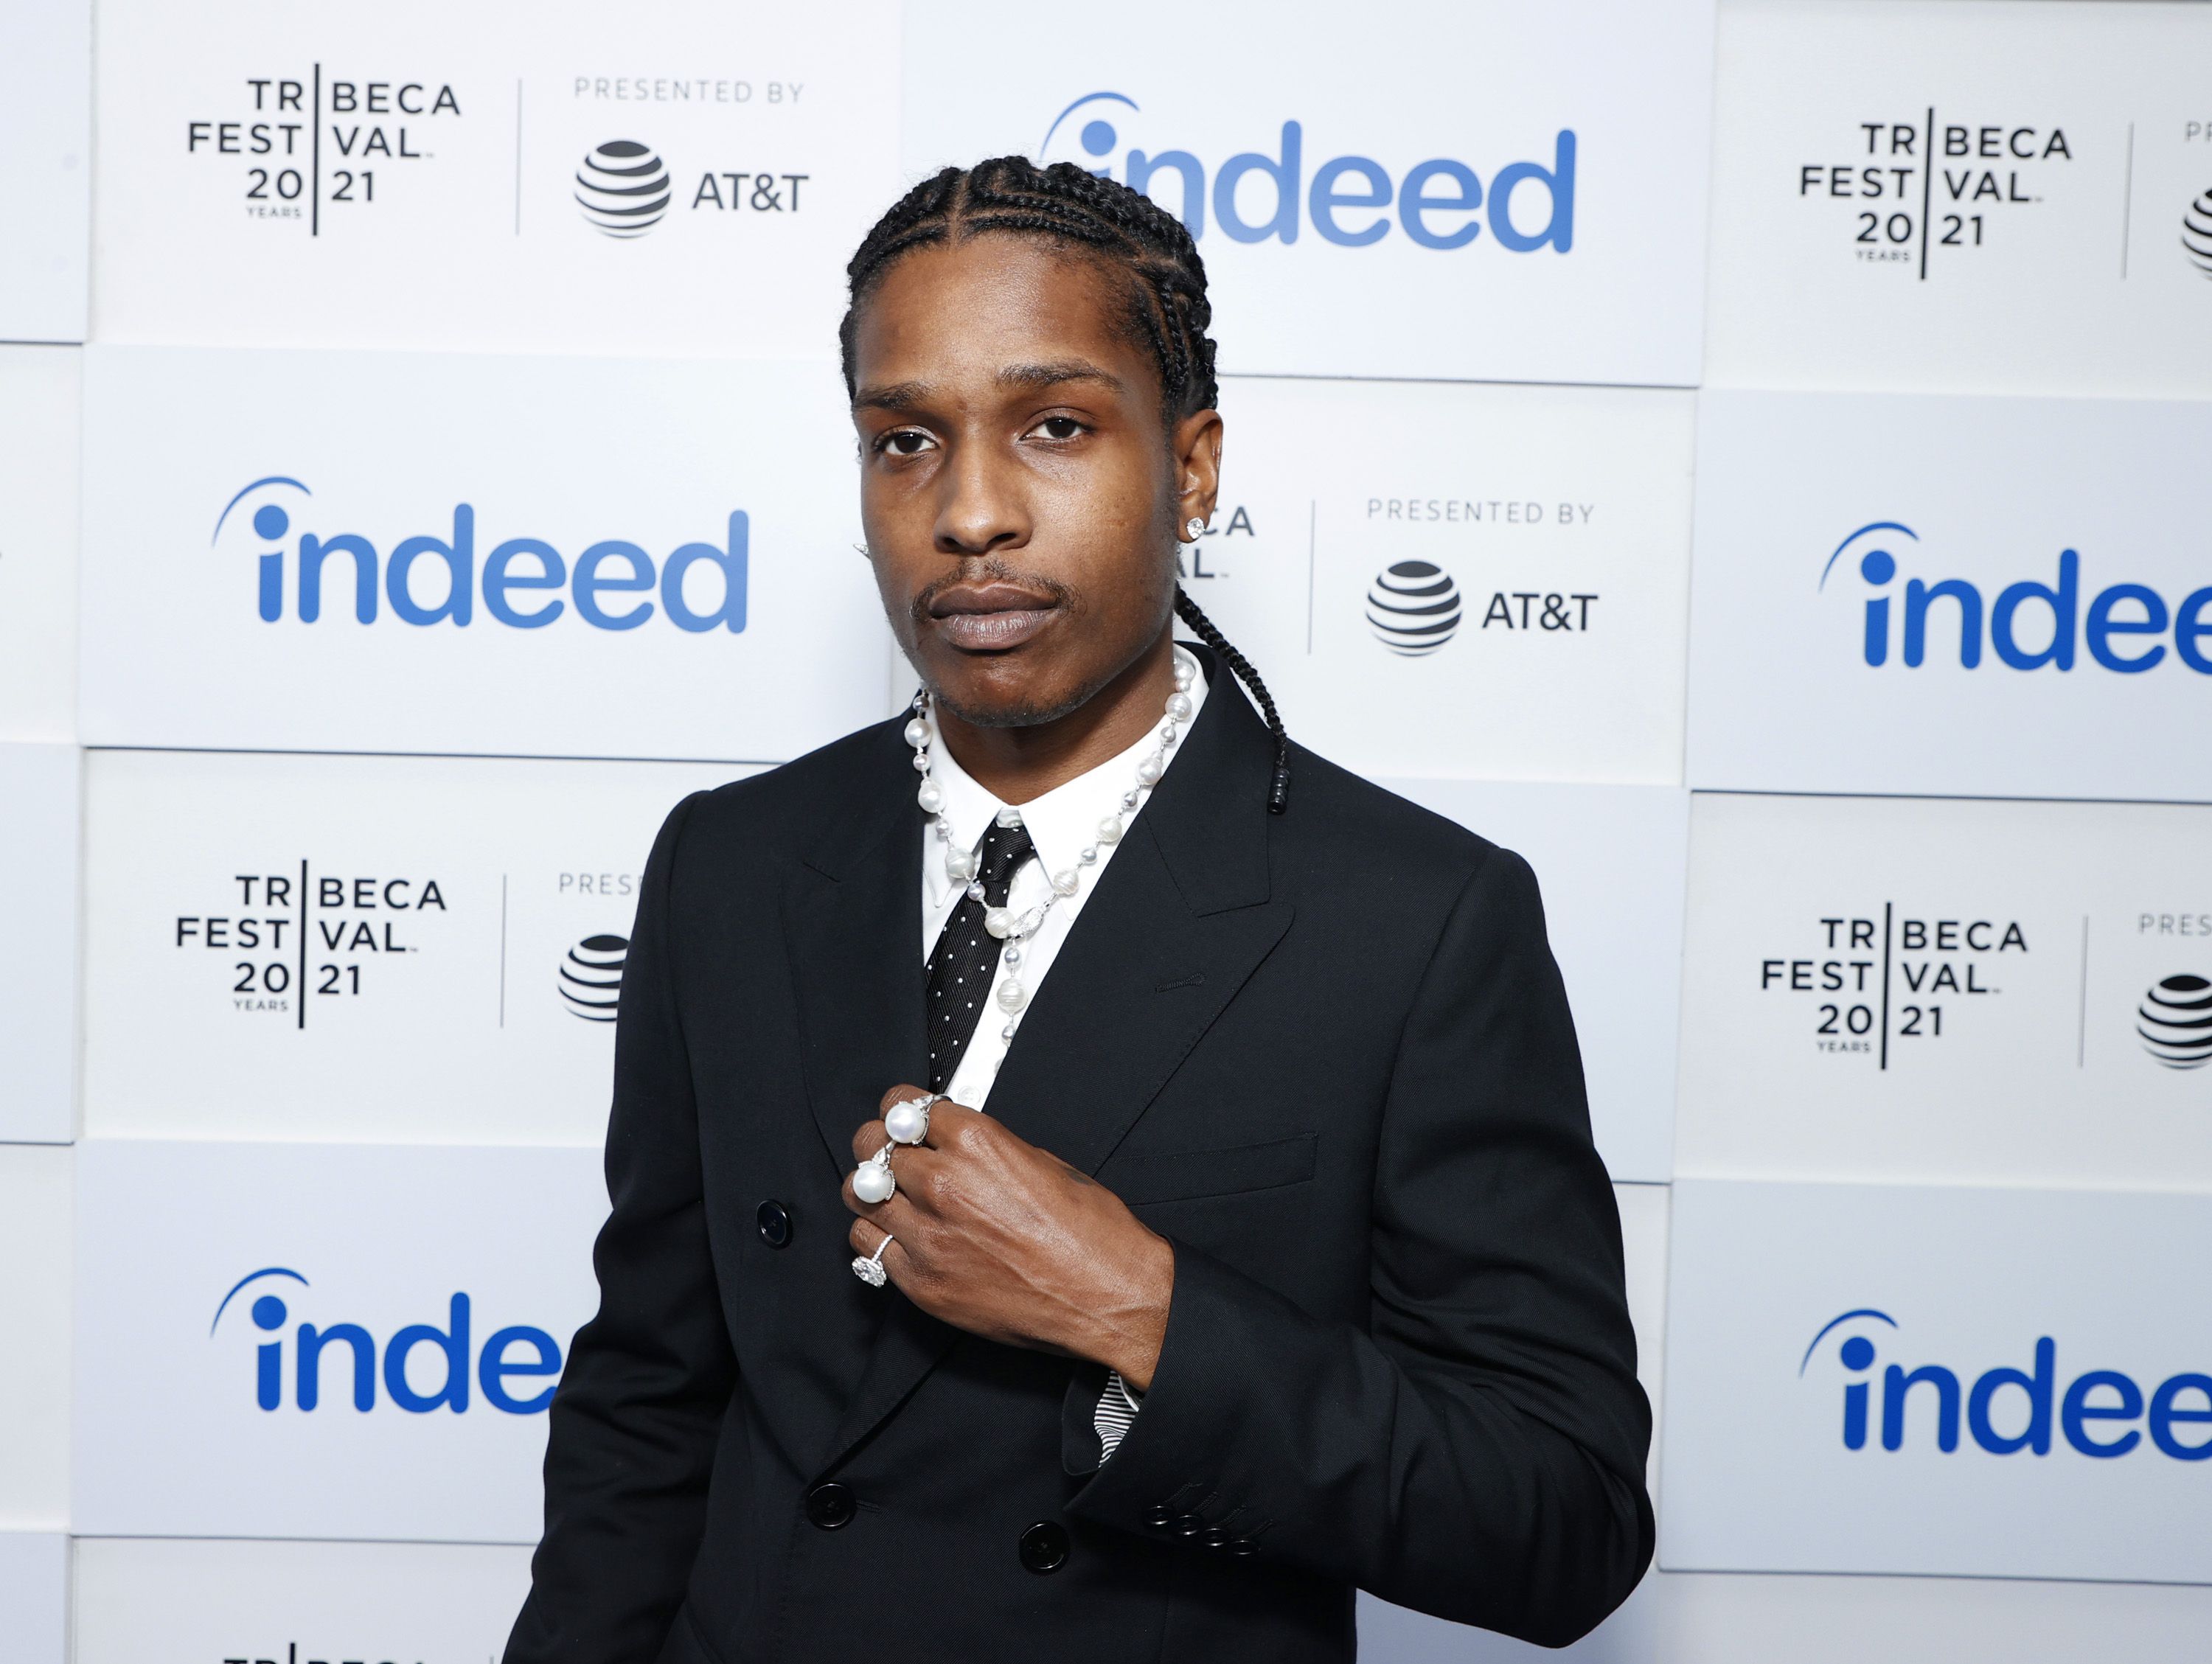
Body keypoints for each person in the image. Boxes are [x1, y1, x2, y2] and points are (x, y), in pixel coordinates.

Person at [504, 156, 1651, 1664]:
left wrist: (1145, 1312)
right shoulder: (730, 864)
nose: (970, 512)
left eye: (1055, 426)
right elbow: (645, 1415)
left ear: (1189, 468)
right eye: (904, 439)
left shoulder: (1418, 923)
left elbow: (1560, 1517)